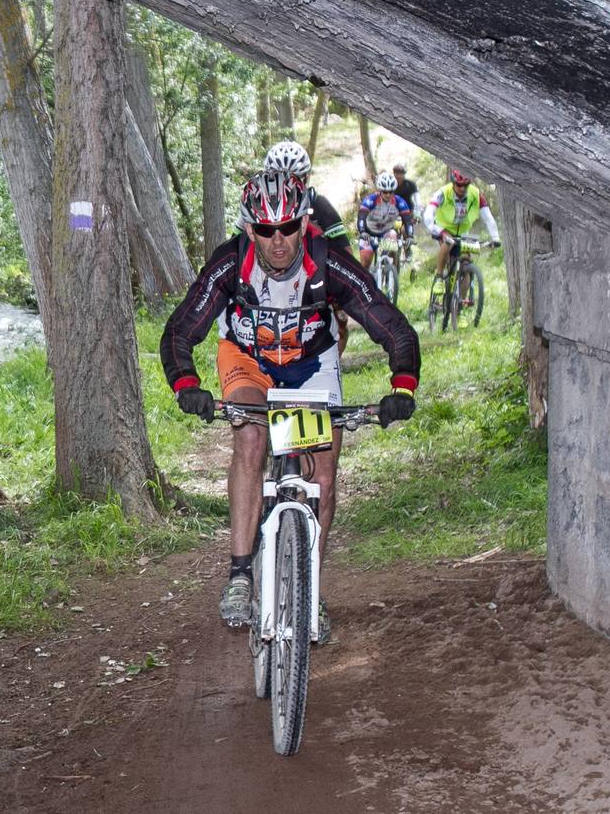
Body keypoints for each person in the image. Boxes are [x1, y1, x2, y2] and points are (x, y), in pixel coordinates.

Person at [160, 172, 420, 645]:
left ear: (304, 223)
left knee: (323, 473)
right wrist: (187, 384)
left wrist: (402, 387)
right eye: (265, 230)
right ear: (249, 229)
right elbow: (181, 328)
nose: (277, 241)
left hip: (310, 366)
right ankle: (240, 576)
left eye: (287, 228)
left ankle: (311, 593)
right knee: (252, 435)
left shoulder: (329, 265)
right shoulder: (230, 264)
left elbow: (392, 325)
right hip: (247, 361)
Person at [422, 168, 502, 306]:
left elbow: (488, 218)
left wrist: (495, 238)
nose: (462, 188)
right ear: (453, 183)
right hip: (444, 229)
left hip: (463, 233)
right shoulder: (443, 192)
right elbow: (428, 214)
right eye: (459, 185)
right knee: (448, 243)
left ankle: (460, 303)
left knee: (465, 262)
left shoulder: (476, 194)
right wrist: (436, 231)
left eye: (465, 185)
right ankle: (440, 277)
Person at [262, 141, 354, 259]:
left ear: (305, 179)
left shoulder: (319, 205)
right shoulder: (254, 205)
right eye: (279, 182)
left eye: (294, 182)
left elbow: (347, 257)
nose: (286, 189)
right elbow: (234, 248)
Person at [356, 171, 412, 272]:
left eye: (391, 192)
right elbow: (361, 217)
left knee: (393, 238)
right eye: (385, 192)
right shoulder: (370, 200)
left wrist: (410, 236)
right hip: (368, 233)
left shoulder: (399, 202)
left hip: (386, 232)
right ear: (380, 191)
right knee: (365, 264)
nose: (388, 194)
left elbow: (407, 220)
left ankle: (391, 276)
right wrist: (362, 231)